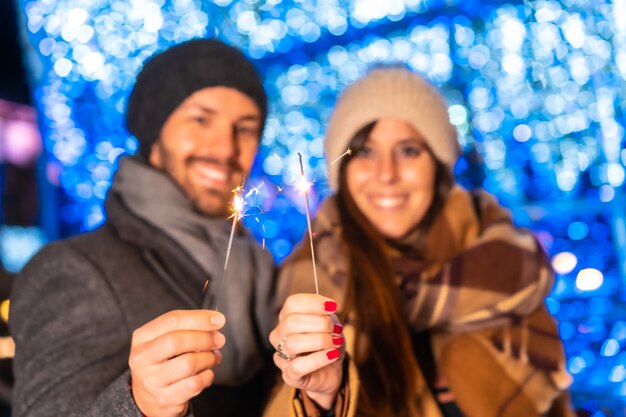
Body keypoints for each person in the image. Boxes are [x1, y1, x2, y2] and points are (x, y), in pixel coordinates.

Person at [266, 66, 575, 417]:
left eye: (409, 150)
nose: (386, 174)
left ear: (437, 166)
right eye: (365, 152)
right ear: (343, 169)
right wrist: (323, 398)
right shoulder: (310, 283)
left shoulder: (501, 262)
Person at [10, 39, 277, 417]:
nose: (225, 147)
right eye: (201, 119)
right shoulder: (73, 269)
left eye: (245, 128)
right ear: (154, 131)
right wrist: (141, 404)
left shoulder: (262, 269)